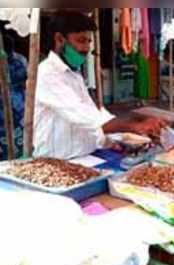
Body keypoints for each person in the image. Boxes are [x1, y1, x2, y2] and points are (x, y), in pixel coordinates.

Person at [34, 11, 164, 159]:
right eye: (81, 40)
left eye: (89, 42)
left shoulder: (74, 74)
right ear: (59, 39)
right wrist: (134, 126)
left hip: (85, 158)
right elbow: (86, 117)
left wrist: (126, 132)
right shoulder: (47, 74)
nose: (87, 48)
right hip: (56, 163)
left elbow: (94, 112)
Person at [0, 35, 27, 160]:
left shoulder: (20, 60)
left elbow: (27, 81)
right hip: (9, 107)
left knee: (19, 143)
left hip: (18, 106)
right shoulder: (20, 60)